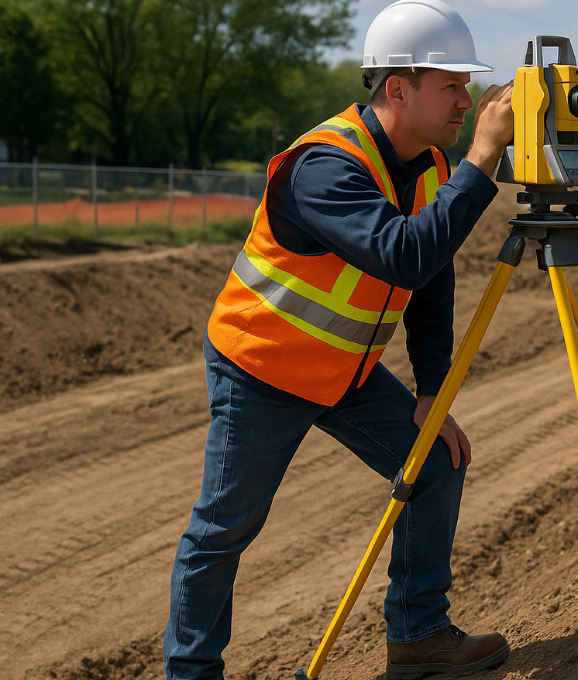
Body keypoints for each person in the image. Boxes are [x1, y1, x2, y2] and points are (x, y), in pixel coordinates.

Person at [162, 1, 514, 678]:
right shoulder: (325, 166)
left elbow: (430, 282)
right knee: (223, 529)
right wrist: (483, 160)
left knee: (435, 460)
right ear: (398, 89)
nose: (467, 101)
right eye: (453, 85)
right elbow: (406, 255)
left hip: (345, 371)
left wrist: (431, 392)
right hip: (263, 368)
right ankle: (192, 673)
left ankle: (418, 637)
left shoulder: (433, 167)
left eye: (468, 87)